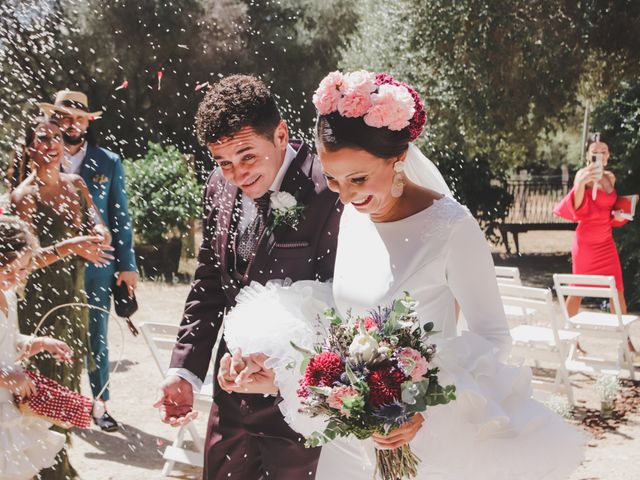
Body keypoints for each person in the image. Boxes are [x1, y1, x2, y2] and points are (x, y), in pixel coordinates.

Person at [229, 71, 586, 479]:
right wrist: (286, 371)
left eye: (359, 178)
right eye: (333, 179)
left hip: (427, 438)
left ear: (398, 158)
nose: (344, 195)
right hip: (351, 444)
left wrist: (418, 404)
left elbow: (492, 337)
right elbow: (346, 319)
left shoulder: (452, 228)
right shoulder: (353, 214)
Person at [155, 74, 342, 479]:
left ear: (280, 134)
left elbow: (342, 303)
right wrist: (183, 371)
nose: (236, 174)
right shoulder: (217, 189)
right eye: (223, 162)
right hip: (230, 397)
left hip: (298, 408)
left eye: (247, 156)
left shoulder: (330, 189)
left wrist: (287, 372)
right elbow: (209, 283)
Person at [10, 117, 114, 480]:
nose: (52, 144)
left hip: (74, 300)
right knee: (42, 393)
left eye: (56, 137)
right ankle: (47, 469)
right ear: (29, 150)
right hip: (39, 304)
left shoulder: (77, 184)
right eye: (43, 138)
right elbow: (24, 260)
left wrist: (99, 233)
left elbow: (97, 222)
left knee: (69, 385)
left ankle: (60, 461)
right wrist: (70, 246)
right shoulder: (24, 196)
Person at [38, 90, 138, 432]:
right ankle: (56, 406)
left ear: (88, 122)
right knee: (52, 332)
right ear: (54, 119)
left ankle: (101, 405)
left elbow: (120, 215)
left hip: (98, 264)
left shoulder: (108, 161)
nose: (72, 123)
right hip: (53, 266)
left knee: (97, 335)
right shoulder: (39, 156)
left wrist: (128, 266)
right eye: (64, 116)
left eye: (78, 117)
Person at [0, 216, 70, 480]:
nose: (14, 278)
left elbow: (8, 344)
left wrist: (39, 343)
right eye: (7, 270)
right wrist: (7, 377)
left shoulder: (8, 296)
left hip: (8, 403)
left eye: (22, 270)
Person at [554, 135, 632, 335]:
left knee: (618, 290)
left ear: (608, 156)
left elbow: (607, 207)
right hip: (586, 244)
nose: (599, 155)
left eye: (603, 151)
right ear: (588, 155)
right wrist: (580, 184)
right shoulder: (582, 175)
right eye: (595, 152)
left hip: (606, 242)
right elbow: (578, 208)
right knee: (578, 290)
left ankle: (627, 344)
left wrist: (617, 213)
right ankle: (568, 335)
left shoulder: (610, 177)